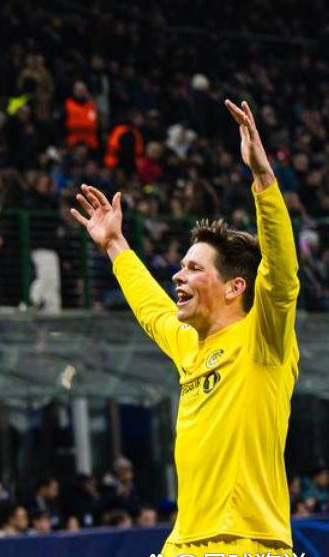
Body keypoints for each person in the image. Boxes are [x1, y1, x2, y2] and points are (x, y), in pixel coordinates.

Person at [70, 100, 298, 556]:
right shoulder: (191, 345)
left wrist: (263, 180)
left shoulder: (263, 339)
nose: (177, 276)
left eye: (194, 268)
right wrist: (115, 245)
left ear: (234, 287)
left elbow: (282, 277)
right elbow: (152, 309)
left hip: (246, 541)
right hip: (184, 542)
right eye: (181, 266)